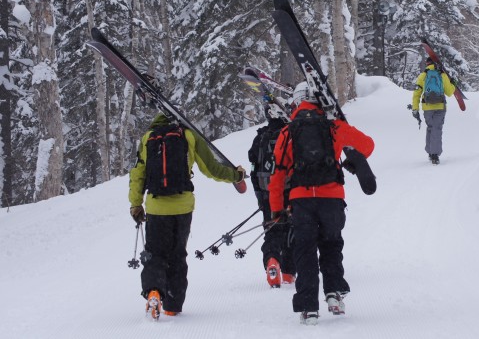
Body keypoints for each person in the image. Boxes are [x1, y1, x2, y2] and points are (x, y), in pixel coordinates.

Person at [268, 82, 374, 325]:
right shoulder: (334, 127)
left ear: (296, 101)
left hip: (301, 201)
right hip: (332, 199)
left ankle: (308, 307)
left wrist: (276, 209)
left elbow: (278, 176)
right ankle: (334, 293)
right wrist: (351, 161)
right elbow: (368, 145)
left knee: (304, 251)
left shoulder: (288, 133)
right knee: (331, 245)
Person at [129, 112, 246, 319]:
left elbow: (138, 174)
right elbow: (212, 169)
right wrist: (236, 175)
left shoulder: (148, 138)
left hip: (156, 207)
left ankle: (154, 291)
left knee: (155, 252)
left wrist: (135, 204)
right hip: (183, 208)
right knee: (177, 254)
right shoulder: (189, 135)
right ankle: (173, 304)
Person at [247, 104, 295, 288]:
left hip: (267, 192)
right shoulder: (290, 134)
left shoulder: (260, 137)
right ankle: (289, 273)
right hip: (289, 191)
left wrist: (259, 195)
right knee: (292, 230)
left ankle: (272, 260)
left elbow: (253, 167)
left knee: (272, 230)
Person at [411, 56, 456, 165]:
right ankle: (435, 155)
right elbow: (449, 92)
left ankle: (430, 152)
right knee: (437, 128)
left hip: (427, 107)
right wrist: (453, 83)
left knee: (431, 127)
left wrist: (415, 108)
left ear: (427, 64)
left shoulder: (423, 75)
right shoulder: (442, 74)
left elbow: (416, 93)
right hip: (440, 106)